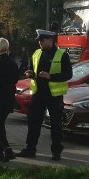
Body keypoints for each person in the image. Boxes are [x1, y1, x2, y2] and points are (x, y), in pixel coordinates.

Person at [17, 29, 73, 161]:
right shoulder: (37, 53)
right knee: (33, 122)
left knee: (56, 124)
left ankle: (56, 151)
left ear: (51, 40)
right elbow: (31, 68)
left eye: (42, 40)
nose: (39, 42)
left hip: (54, 95)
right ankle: (30, 149)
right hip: (38, 93)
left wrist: (50, 76)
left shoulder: (62, 55)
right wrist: (30, 73)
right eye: (38, 40)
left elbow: (68, 75)